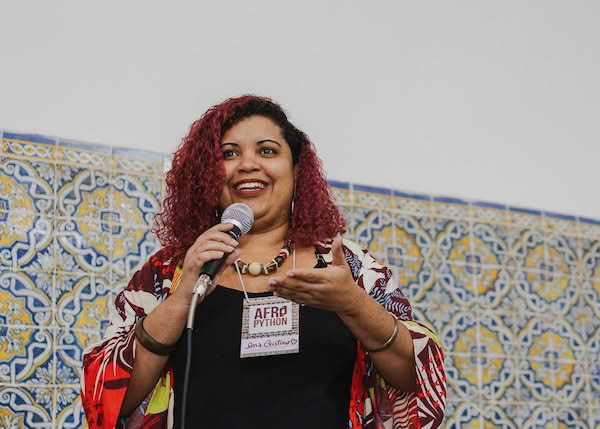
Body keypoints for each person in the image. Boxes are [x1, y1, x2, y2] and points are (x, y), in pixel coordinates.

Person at [81, 95, 446, 429]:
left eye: (268, 151)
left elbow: (419, 379)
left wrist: (354, 306)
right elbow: (108, 399)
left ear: (297, 170)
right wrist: (181, 298)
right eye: (228, 154)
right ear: (208, 175)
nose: (248, 164)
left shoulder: (351, 267)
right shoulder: (167, 272)